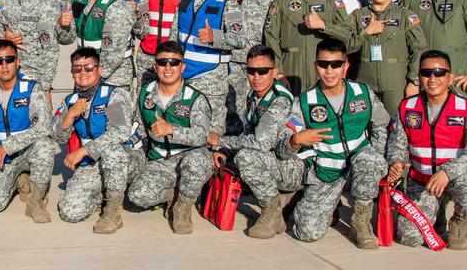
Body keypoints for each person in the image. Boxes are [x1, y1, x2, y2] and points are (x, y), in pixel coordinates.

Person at [283, 38, 388, 248]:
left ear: (346, 66)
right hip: (326, 172)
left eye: (336, 65)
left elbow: (382, 125)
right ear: (316, 66)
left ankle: (360, 220)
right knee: (306, 232)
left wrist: (378, 157)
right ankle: (325, 204)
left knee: (370, 161)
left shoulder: (362, 93)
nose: (329, 71)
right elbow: (283, 143)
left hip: (358, 165)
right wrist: (294, 140)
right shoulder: (304, 101)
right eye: (323, 64)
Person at [386, 50, 467, 250]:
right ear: (419, 77)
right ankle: (437, 210)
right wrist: (396, 163)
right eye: (426, 73)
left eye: (440, 73)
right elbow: (396, 144)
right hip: (421, 180)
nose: (433, 79)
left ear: (450, 78)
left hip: (454, 179)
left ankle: (459, 222)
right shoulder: (407, 108)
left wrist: (446, 172)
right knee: (409, 238)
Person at [212, 44, 302, 239]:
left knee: (246, 157)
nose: (256, 77)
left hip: (294, 165)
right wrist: (224, 150)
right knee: (233, 158)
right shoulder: (255, 95)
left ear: (274, 72)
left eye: (263, 71)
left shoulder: (279, 100)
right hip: (275, 160)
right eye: (251, 71)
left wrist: (221, 141)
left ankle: (272, 212)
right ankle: (285, 201)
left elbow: (260, 143)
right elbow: (247, 134)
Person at [127, 40, 212, 234]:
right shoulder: (146, 93)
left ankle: (183, 207)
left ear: (183, 66)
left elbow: (202, 136)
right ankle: (173, 194)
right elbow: (138, 126)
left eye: (174, 63)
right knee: (137, 197)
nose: (168, 67)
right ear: (154, 65)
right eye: (163, 62)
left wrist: (172, 130)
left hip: (189, 158)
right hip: (160, 161)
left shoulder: (194, 97)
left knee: (197, 161)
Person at [51, 47, 135, 233]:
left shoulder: (112, 95)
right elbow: (58, 136)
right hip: (91, 164)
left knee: (113, 152)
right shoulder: (70, 100)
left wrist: (82, 151)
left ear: (99, 70)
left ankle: (113, 212)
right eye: (77, 68)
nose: (83, 73)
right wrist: (70, 116)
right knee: (70, 213)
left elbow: (119, 132)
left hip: (124, 160)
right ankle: (101, 192)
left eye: (88, 67)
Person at [0, 39, 59, 222]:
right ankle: (19, 180)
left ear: (18, 62)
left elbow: (43, 126)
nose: (4, 66)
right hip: (0, 156)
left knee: (46, 146)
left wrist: (9, 144)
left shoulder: (31, 88)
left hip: (28, 152)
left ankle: (36, 201)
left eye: (9, 60)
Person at [173, 0, 250, 135]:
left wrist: (214, 37)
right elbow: (174, 36)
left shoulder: (227, 1)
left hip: (211, 80)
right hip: (184, 77)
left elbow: (240, 39)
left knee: (211, 132)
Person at [221, 0, 291, 127]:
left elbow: (291, 7)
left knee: (262, 113)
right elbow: (212, 3)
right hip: (232, 57)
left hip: (264, 61)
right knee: (231, 113)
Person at [262, 0, 353, 95]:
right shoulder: (282, 0)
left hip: (324, 68)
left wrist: (324, 26)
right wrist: (278, 72)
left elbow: (348, 35)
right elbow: (270, 38)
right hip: (290, 68)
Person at [348, 0, 426, 118]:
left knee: (397, 124)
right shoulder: (358, 15)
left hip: (396, 80)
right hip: (365, 78)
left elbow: (419, 49)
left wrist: (414, 81)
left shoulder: (405, 15)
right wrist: (366, 32)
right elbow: (346, 46)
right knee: (365, 122)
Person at [58, 0, 136, 88]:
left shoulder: (117, 5)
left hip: (113, 79)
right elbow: (66, 39)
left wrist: (91, 79)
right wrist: (63, 25)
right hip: (85, 75)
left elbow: (113, 56)